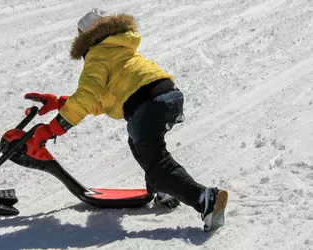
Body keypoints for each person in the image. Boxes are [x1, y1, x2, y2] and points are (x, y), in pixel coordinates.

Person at [24, 8, 228, 232]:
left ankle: (204, 199)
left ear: (85, 36)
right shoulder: (119, 47)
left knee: (155, 161)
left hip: (146, 104)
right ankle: (166, 190)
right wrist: (61, 103)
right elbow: (101, 98)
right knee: (140, 144)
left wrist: (52, 129)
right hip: (168, 96)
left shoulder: (97, 53)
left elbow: (87, 95)